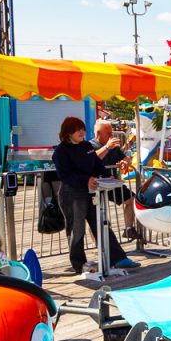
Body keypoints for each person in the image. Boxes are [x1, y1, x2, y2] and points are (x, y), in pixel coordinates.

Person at [52, 116, 139, 274]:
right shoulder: (61, 151)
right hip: (72, 194)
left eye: (82, 129)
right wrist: (86, 180)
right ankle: (80, 264)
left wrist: (107, 176)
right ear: (68, 132)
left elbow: (97, 164)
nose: (81, 132)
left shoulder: (86, 146)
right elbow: (65, 176)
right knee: (76, 230)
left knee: (102, 224)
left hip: (93, 193)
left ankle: (118, 258)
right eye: (77, 129)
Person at [91, 119, 139, 241]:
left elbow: (126, 157)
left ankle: (128, 229)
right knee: (96, 213)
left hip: (112, 183)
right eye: (108, 133)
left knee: (132, 199)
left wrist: (125, 162)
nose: (111, 136)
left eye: (111, 132)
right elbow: (93, 158)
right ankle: (98, 241)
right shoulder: (90, 145)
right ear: (98, 133)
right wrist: (107, 147)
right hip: (96, 184)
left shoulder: (114, 147)